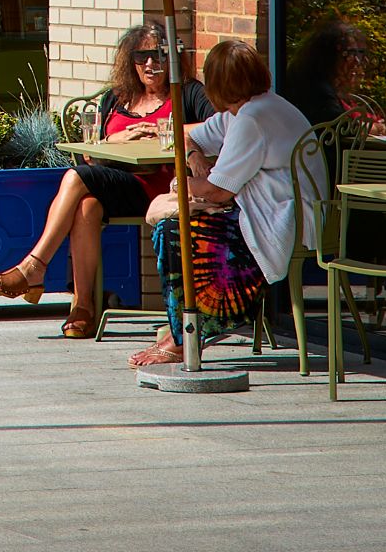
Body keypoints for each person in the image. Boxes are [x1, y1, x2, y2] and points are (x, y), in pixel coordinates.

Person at [0, 23, 212, 338]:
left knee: (75, 177)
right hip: (122, 182)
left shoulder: (188, 92)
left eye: (159, 55)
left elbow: (217, 127)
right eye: (142, 56)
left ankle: (35, 268)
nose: (150, 64)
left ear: (172, 56)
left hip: (164, 190)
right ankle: (83, 306)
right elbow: (93, 154)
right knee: (87, 205)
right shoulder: (117, 98)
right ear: (130, 61)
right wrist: (122, 137)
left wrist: (163, 130)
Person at [131, 38, 324, 368]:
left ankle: (185, 335)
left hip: (281, 220)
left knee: (171, 231)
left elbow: (220, 192)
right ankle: (182, 328)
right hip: (287, 213)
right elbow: (187, 132)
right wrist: (194, 157)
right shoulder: (253, 109)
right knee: (181, 225)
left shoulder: (251, 120)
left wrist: (184, 184)